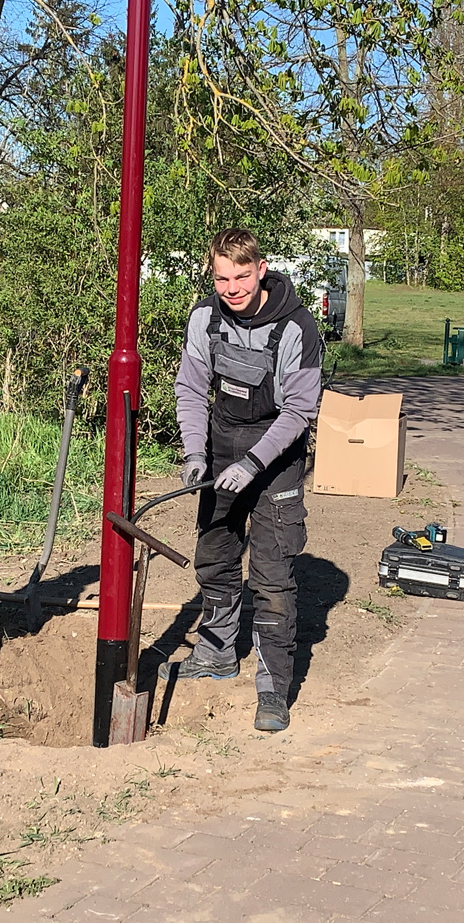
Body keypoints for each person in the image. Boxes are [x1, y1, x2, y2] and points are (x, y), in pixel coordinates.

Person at [159, 228, 321, 732]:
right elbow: (190, 388)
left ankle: (273, 690)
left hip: (276, 460)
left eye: (242, 277)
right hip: (220, 443)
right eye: (222, 278)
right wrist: (193, 452)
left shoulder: (297, 328)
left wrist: (253, 463)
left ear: (262, 269)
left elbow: (299, 411)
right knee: (215, 560)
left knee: (272, 581)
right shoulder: (205, 319)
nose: (231, 288)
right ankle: (216, 654)